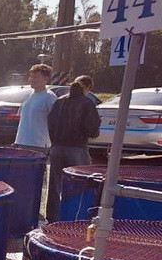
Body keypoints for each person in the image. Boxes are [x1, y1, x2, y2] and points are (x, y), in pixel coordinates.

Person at [45, 78, 102, 221]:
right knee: (80, 183)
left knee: (55, 184)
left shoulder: (59, 101)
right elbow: (92, 129)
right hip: (77, 147)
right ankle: (75, 217)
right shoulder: (87, 103)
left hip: (57, 147)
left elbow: (50, 123)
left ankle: (53, 217)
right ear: (88, 88)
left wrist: (54, 141)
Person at [13, 63, 57, 152]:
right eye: (31, 77)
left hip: (39, 145)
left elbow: (57, 122)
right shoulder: (27, 96)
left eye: (36, 77)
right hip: (21, 143)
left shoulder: (50, 97)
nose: (32, 80)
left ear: (46, 79)